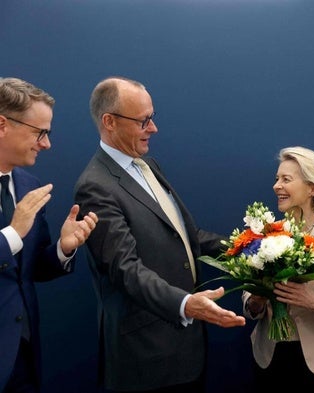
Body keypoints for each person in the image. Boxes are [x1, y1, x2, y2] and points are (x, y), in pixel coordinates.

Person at [73, 76, 245, 393]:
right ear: (109, 122)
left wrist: (253, 249)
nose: (153, 129)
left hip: (186, 350)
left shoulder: (149, 165)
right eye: (144, 121)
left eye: (152, 117)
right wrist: (184, 305)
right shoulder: (95, 187)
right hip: (146, 358)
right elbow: (125, 270)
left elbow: (186, 237)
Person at [0, 77, 98, 393]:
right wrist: (14, 232)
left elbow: (29, 271)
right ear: (2, 125)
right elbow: (12, 242)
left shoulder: (29, 185)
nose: (46, 144)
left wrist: (63, 249)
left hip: (21, 356)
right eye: (39, 132)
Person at [241, 146, 314, 392]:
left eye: (286, 179)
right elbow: (249, 303)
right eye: (276, 179)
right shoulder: (261, 235)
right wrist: (257, 298)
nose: (276, 186)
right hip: (270, 355)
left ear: (312, 188)